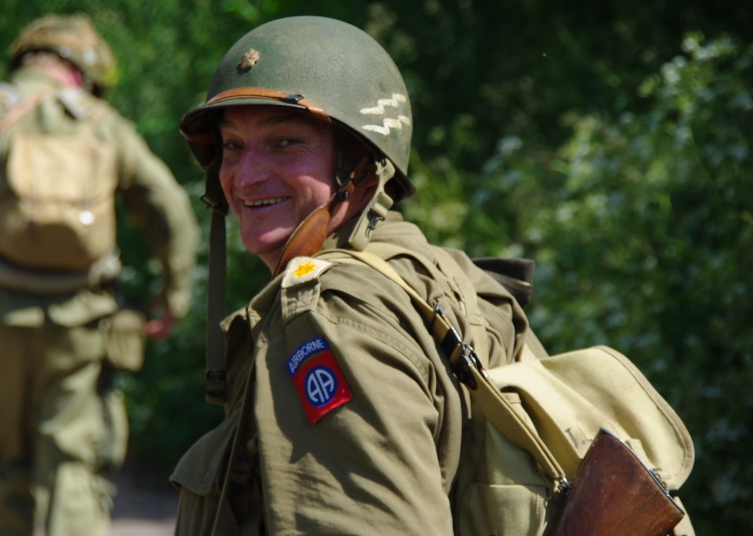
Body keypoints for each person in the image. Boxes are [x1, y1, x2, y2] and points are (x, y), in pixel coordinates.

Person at [169, 16, 556, 535]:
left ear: (362, 164)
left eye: (285, 142)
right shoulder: (439, 276)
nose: (245, 175)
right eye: (233, 146)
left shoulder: (330, 314)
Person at [0, 13, 200, 536]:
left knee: (5, 466)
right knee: (71, 464)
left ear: (26, 56)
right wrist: (173, 294)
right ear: (84, 72)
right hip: (82, 323)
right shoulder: (101, 122)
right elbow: (169, 208)